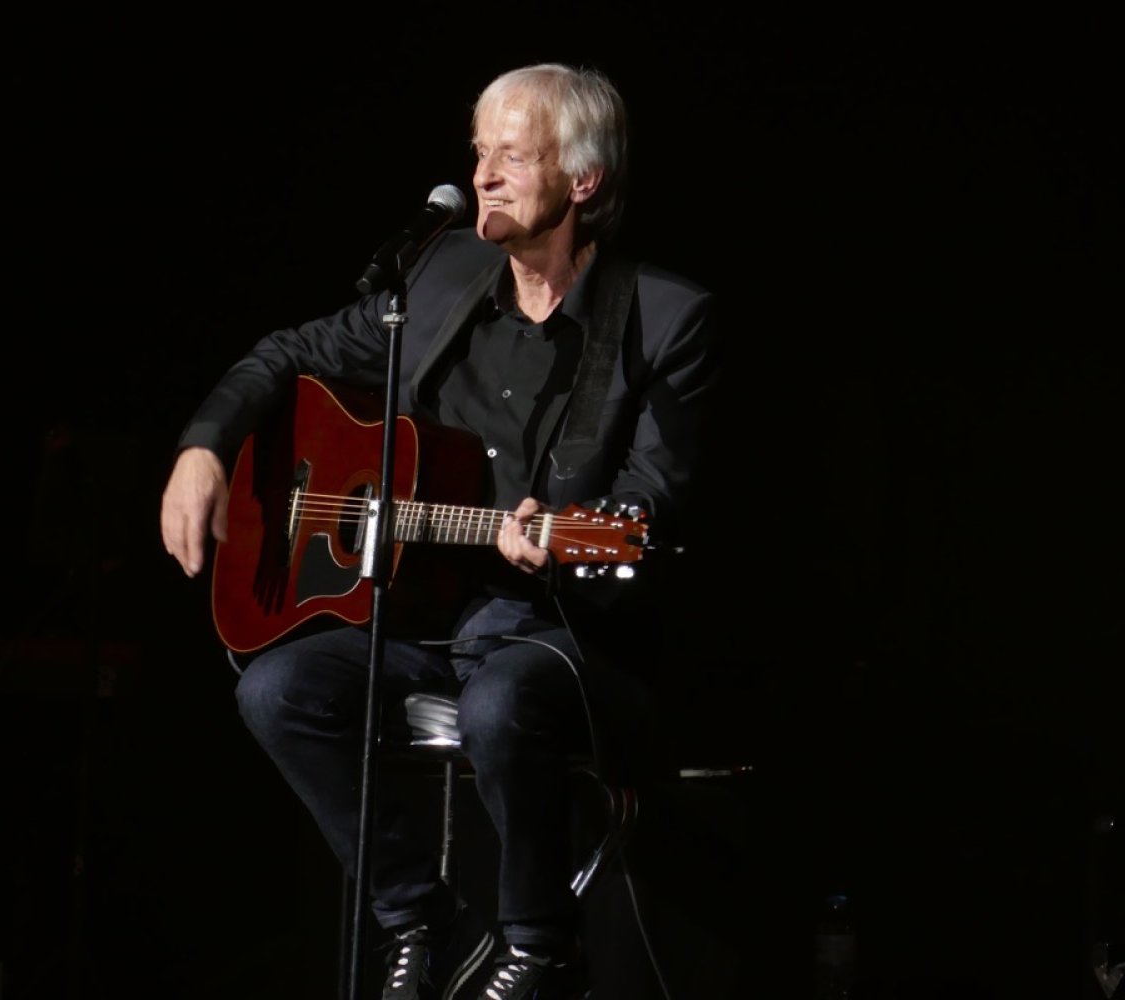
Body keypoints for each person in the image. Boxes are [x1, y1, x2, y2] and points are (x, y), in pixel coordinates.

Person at [160, 63, 717, 1000]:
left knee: (503, 704)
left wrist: (570, 531)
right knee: (276, 690)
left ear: (581, 181)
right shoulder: (440, 273)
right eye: (477, 151)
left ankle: (540, 944)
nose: (484, 174)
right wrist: (205, 448)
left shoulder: (663, 316)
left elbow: (652, 502)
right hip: (427, 619)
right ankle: (417, 914)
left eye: (511, 153)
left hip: (560, 633)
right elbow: (286, 354)